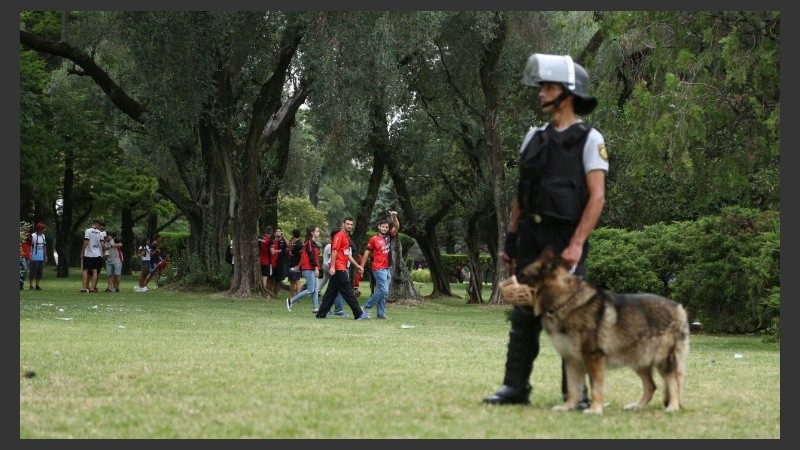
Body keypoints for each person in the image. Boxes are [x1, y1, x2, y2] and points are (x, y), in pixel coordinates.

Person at [483, 53, 608, 408]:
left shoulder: (590, 139)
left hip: (564, 242)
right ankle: (514, 387)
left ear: (568, 94)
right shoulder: (533, 137)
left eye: (549, 88)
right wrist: (511, 239)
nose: (541, 93)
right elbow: (522, 195)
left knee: (570, 318)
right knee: (523, 314)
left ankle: (576, 396)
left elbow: (597, 197)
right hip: (531, 240)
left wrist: (577, 244)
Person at [315, 217, 368, 320]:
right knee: (348, 291)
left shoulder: (346, 237)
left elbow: (347, 254)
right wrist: (332, 267)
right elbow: (334, 251)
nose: (349, 226)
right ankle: (358, 314)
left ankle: (321, 314)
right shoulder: (339, 236)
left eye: (351, 224)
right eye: (347, 224)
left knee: (331, 292)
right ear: (343, 224)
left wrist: (357, 265)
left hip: (341, 267)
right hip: (338, 268)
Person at [360, 211, 400, 319]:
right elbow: (366, 253)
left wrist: (394, 216)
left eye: (386, 227)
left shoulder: (389, 237)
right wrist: (361, 266)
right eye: (383, 226)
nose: (385, 228)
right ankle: (366, 307)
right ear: (379, 227)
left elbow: (396, 226)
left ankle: (380, 314)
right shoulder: (374, 239)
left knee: (382, 291)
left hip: (387, 269)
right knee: (383, 290)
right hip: (378, 268)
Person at [287, 225, 321, 313]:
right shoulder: (309, 243)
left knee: (315, 289)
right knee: (310, 289)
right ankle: (291, 300)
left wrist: (317, 267)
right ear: (312, 233)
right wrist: (316, 268)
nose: (319, 233)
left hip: (313, 268)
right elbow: (311, 257)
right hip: (309, 268)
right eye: (317, 231)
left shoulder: (313, 243)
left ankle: (315, 308)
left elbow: (315, 257)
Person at [80, 220, 105, 293]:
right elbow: (102, 244)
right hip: (97, 254)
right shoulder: (100, 233)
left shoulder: (88, 231)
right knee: (95, 271)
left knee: (85, 270)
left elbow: (86, 241)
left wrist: (82, 252)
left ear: (93, 224)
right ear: (97, 225)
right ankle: (92, 288)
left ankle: (84, 287)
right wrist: (103, 252)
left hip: (88, 254)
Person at [268, 227, 288, 296]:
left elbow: (289, 245)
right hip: (272, 263)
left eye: (280, 231)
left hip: (280, 263)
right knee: (270, 279)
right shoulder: (272, 241)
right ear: (274, 233)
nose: (278, 233)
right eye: (277, 231)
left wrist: (283, 236)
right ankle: (269, 293)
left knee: (278, 280)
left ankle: (275, 294)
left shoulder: (283, 242)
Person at [28, 223, 47, 290]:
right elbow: (30, 246)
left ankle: (37, 285)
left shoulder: (43, 236)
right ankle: (31, 285)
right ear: (40, 229)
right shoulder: (33, 236)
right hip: (34, 257)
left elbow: (44, 246)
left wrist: (45, 256)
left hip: (41, 257)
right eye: (43, 228)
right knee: (33, 272)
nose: (45, 229)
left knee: (39, 272)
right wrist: (30, 255)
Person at [286, 228, 303, 299]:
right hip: (292, 264)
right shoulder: (294, 243)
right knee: (292, 281)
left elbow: (302, 256)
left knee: (297, 281)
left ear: (293, 234)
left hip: (296, 265)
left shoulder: (299, 244)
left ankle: (297, 297)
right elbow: (289, 247)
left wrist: (298, 266)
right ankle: (292, 296)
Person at [258, 227, 273, 291]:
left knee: (258, 275)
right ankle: (263, 290)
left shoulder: (259, 238)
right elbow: (272, 252)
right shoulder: (270, 241)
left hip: (258, 260)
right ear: (271, 233)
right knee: (264, 276)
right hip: (266, 261)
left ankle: (258, 289)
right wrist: (278, 251)